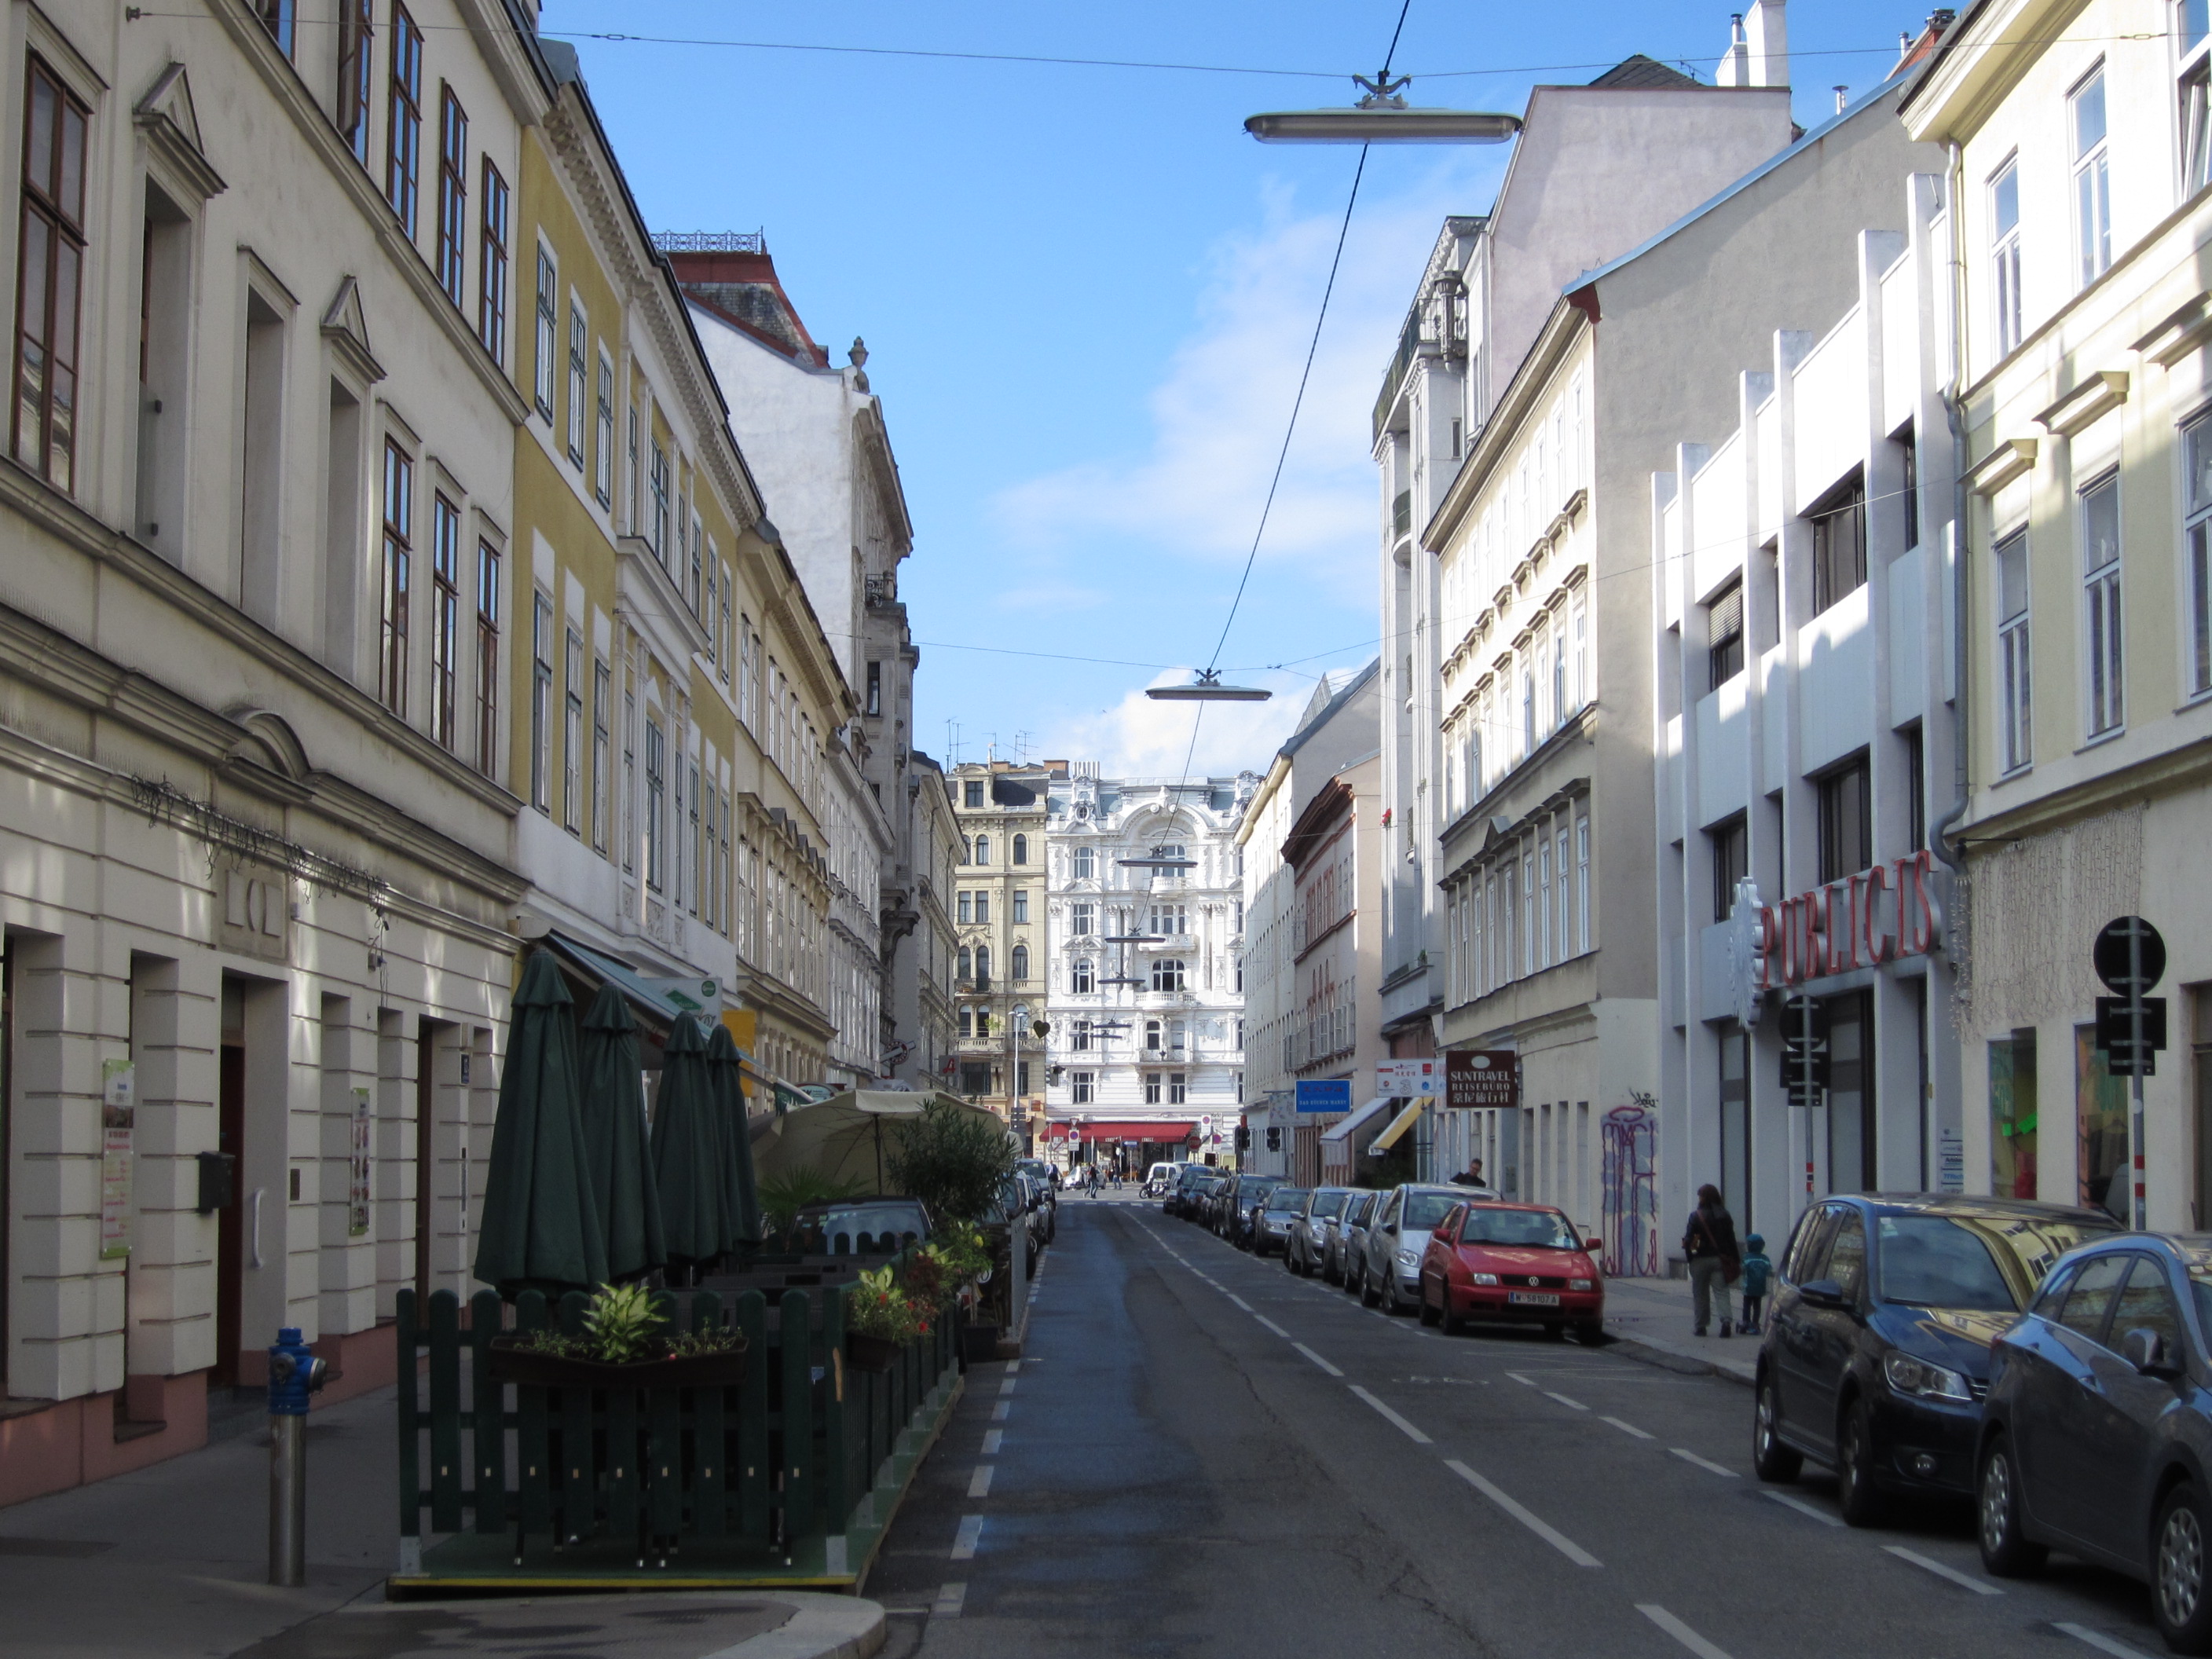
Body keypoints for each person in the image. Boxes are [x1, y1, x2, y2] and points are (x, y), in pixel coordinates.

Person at [1683, 1183, 1741, 1338]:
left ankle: (1701, 1326)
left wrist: (1691, 1257)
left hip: (1700, 1260)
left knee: (1700, 1293)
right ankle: (1726, 1323)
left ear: (1703, 1198)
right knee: (1722, 1291)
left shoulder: (1695, 1216)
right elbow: (1731, 1239)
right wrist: (1735, 1259)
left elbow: (1689, 1240)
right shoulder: (1725, 1215)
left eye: (1700, 1196)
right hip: (1719, 1259)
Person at [1738, 1232, 1772, 1335]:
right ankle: (1755, 1323)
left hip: (1748, 1287)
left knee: (1747, 1305)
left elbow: (1742, 1269)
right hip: (1760, 1287)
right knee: (1757, 1306)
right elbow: (1769, 1270)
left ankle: (1746, 1322)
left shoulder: (1746, 1258)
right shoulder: (1765, 1259)